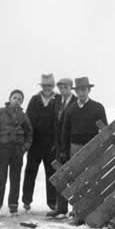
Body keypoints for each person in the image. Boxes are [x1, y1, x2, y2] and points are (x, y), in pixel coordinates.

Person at [59, 77, 107, 218]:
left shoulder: (98, 107)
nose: (81, 93)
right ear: (76, 91)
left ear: (89, 90)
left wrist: (101, 148)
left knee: (93, 176)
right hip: (74, 147)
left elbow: (105, 130)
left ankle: (93, 206)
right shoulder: (71, 108)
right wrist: (63, 150)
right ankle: (76, 208)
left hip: (92, 146)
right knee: (76, 178)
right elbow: (65, 131)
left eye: (84, 90)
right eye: (79, 90)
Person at [0, 90, 33, 215]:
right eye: (15, 98)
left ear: (22, 102)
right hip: (3, 149)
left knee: (15, 178)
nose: (17, 100)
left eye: (19, 99)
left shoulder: (23, 115)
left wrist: (24, 148)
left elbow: (29, 134)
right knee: (0, 177)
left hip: (17, 150)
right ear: (10, 99)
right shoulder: (0, 112)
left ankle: (13, 205)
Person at [21, 73, 58, 213]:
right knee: (30, 171)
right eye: (45, 86)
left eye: (49, 86)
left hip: (51, 145)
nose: (47, 88)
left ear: (53, 86)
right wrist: (27, 141)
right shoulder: (35, 100)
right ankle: (26, 201)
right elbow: (27, 122)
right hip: (35, 143)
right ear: (41, 86)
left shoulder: (58, 99)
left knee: (51, 174)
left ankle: (52, 203)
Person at [46, 77, 75, 217]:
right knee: (59, 176)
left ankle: (74, 209)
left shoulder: (75, 102)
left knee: (73, 176)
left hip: (72, 144)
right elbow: (54, 124)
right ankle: (61, 208)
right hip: (59, 145)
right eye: (61, 88)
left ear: (71, 88)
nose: (63, 90)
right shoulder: (57, 102)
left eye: (66, 88)